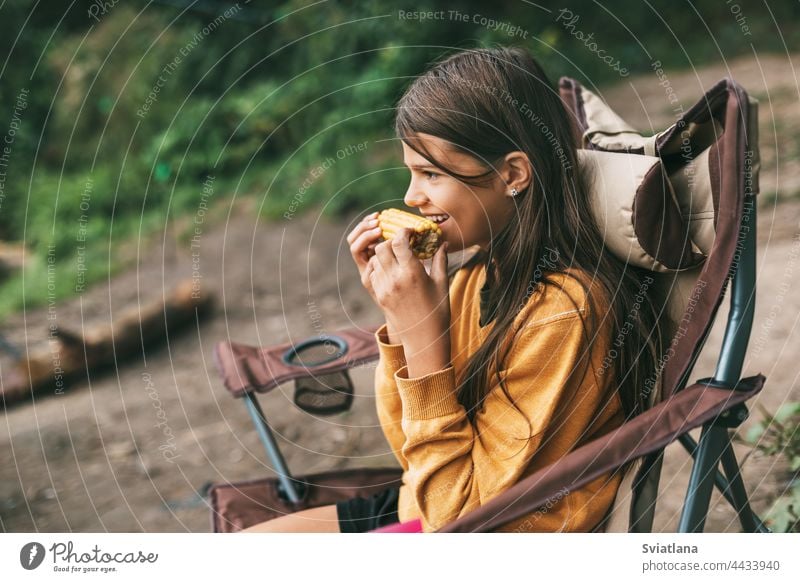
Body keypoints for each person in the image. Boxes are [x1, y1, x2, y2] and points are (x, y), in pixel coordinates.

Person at [242, 46, 666, 533]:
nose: (410, 197)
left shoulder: (563, 312)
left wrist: (423, 337)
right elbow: (410, 454)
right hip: (428, 499)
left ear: (512, 174)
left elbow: (460, 520)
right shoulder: (477, 275)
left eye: (431, 174)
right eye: (411, 173)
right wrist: (405, 323)